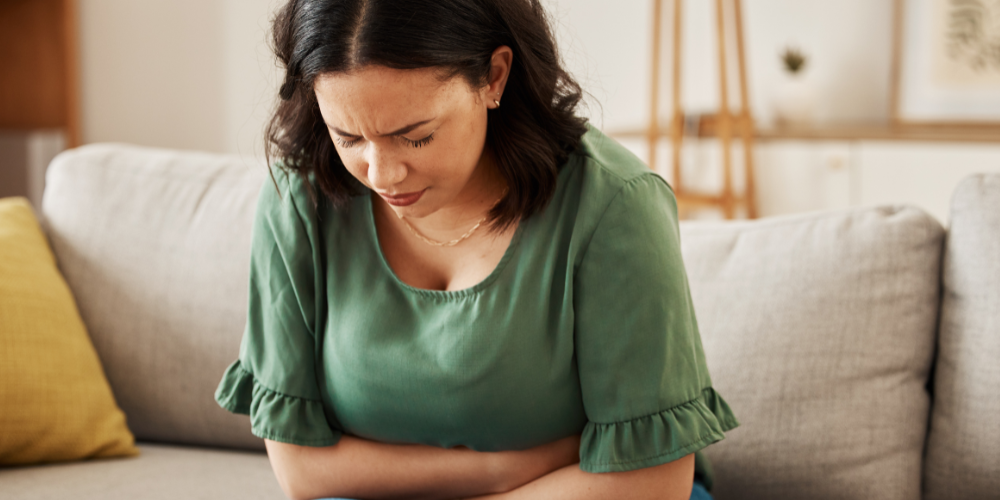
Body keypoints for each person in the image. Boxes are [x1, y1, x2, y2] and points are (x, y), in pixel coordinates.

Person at [214, 0, 739, 498]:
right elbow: (302, 471)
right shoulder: (299, 198)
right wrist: (501, 469)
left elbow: (652, 482)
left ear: (494, 77)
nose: (382, 174)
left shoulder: (612, 204)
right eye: (348, 137)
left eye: (415, 136)